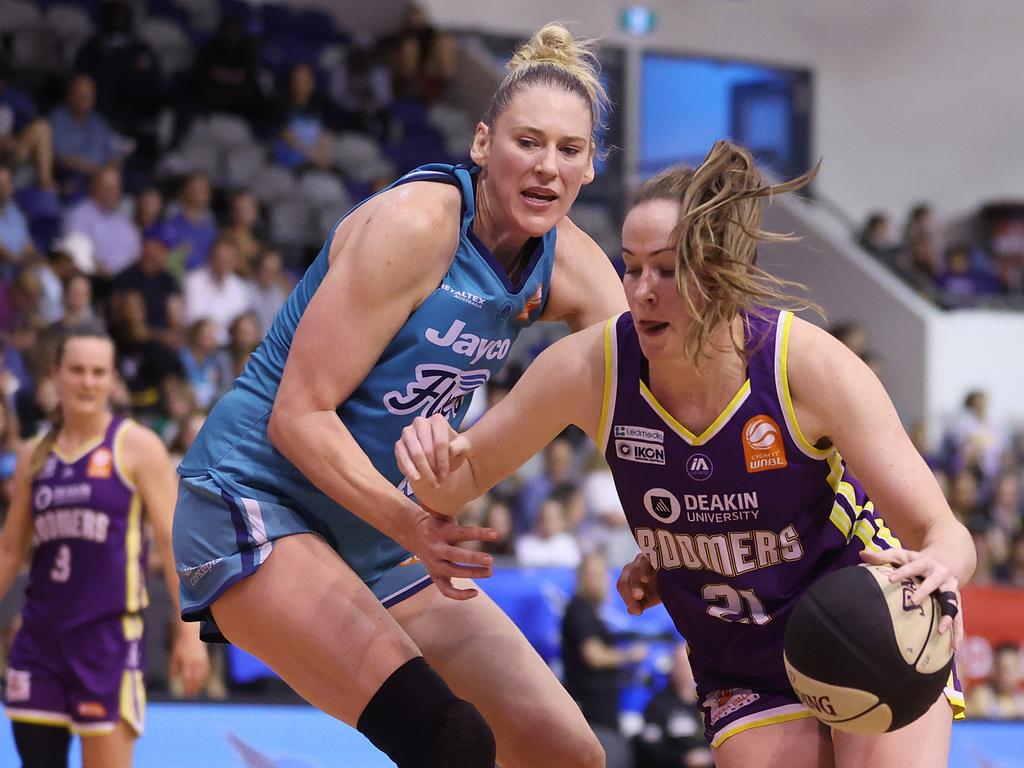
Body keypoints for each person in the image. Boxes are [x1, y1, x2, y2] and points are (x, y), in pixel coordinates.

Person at [396, 140, 975, 768]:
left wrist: (939, 567)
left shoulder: (803, 366)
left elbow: (943, 530)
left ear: (718, 272)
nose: (642, 290)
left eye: (667, 270)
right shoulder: (591, 369)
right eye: (632, 266)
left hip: (863, 621)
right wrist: (431, 457)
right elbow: (457, 481)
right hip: (739, 658)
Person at [173, 23, 625, 768]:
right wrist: (413, 521)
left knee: (567, 755)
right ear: (483, 145)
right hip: (255, 500)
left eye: (568, 151)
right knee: (450, 740)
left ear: (588, 168)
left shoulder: (571, 265)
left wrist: (661, 541)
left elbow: (632, 416)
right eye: (528, 142)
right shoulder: (419, 224)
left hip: (380, 534)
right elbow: (298, 416)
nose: (547, 166)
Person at [0, 330, 208, 767]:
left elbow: (175, 542)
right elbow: (9, 551)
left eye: (98, 372)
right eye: (76, 370)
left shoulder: (137, 446)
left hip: (108, 639)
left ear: (113, 379)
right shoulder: (34, 454)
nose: (87, 382)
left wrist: (189, 633)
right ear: (56, 374)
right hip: (38, 640)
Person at [562, 551, 647, 768]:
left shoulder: (591, 612)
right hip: (591, 711)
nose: (599, 580)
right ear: (581, 577)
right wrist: (630, 655)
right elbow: (594, 656)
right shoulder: (579, 609)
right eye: (592, 574)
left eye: (601, 574)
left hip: (603, 709)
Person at [634, 644, 714, 768]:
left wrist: (710, 756)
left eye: (688, 664)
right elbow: (650, 746)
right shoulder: (659, 703)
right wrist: (683, 759)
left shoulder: (711, 702)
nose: (684, 670)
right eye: (679, 664)